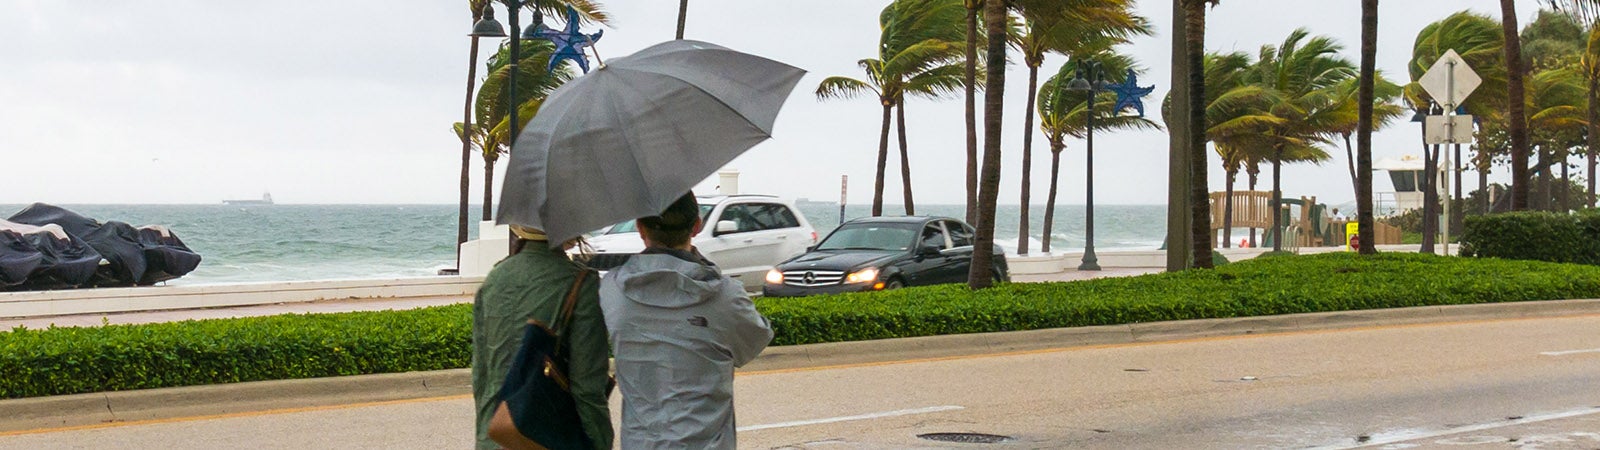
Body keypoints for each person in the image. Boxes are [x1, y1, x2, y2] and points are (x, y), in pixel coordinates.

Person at [600, 193, 774, 449]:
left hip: (640, 442)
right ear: (697, 226)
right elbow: (756, 340)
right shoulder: (724, 295)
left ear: (640, 228)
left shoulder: (611, 289)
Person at [472, 225, 612, 450]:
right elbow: (587, 386)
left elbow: (481, 376)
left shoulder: (494, 278)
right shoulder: (579, 282)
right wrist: (600, 442)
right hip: (546, 438)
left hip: (494, 436)